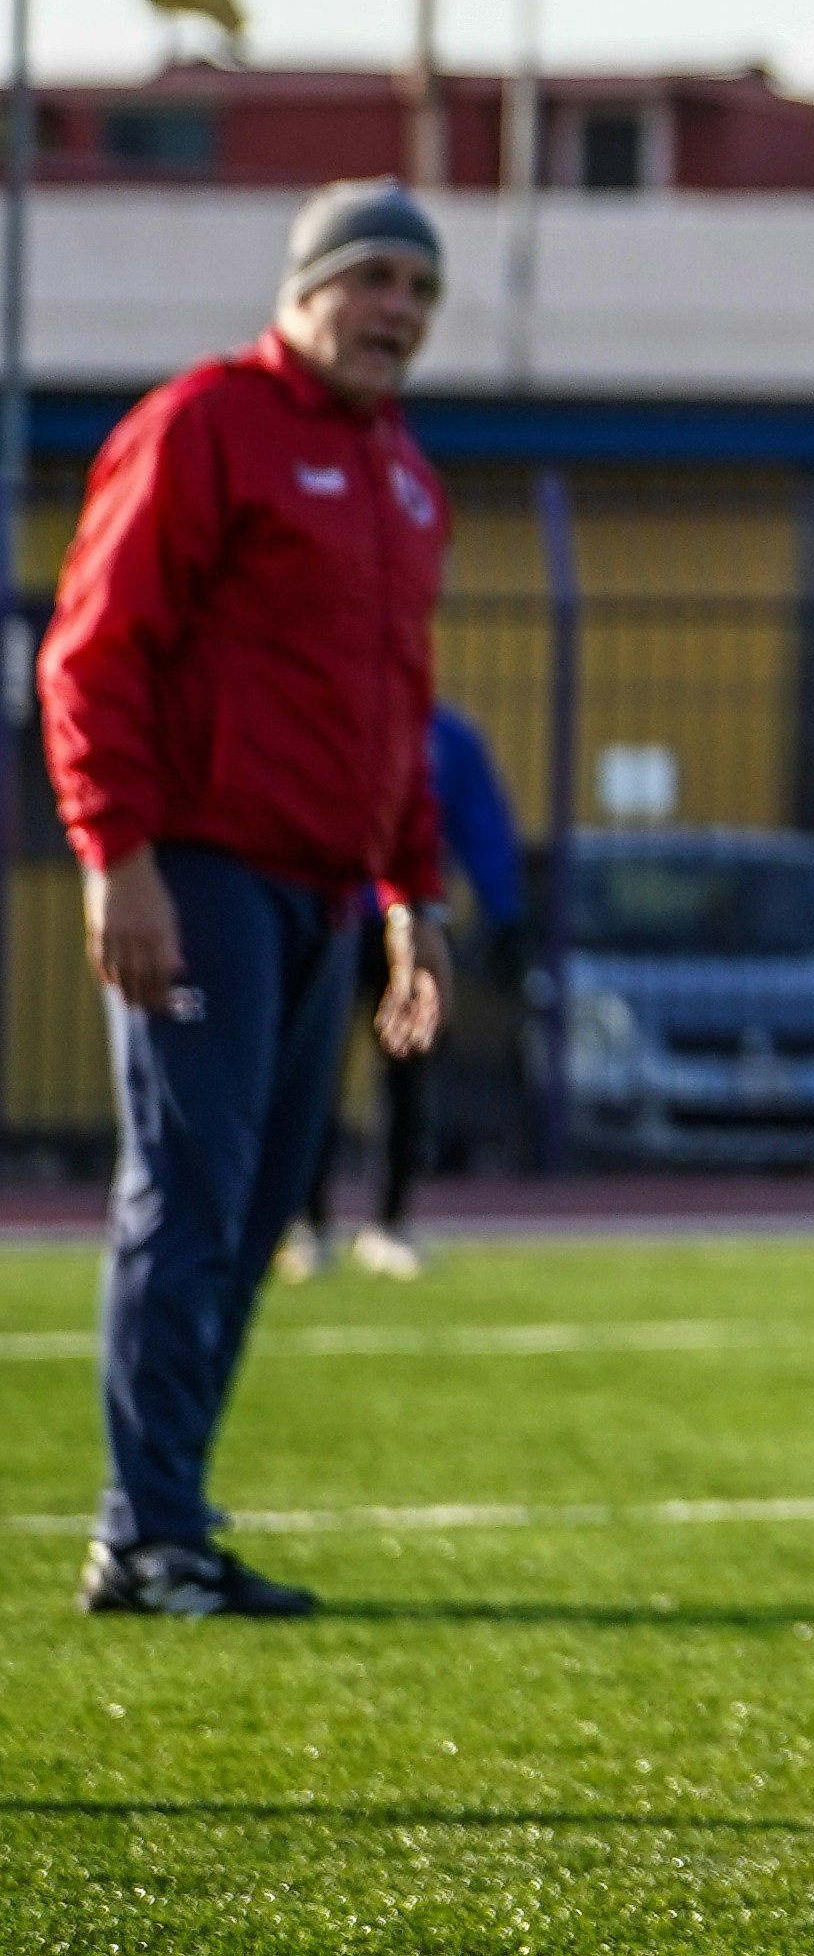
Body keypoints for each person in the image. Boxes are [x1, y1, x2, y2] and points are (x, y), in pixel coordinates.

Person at [43, 181, 459, 1617]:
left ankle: (173, 1521)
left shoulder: (408, 477)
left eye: (420, 289)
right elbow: (92, 654)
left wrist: (413, 890)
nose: (397, 310)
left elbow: (400, 711)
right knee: (191, 1196)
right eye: (374, 280)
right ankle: (145, 1536)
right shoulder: (205, 426)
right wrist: (122, 855)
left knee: (268, 1202)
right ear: (305, 287)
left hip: (330, 902)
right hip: (203, 876)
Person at [284, 706, 520, 1284]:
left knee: (408, 1074)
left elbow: (478, 823)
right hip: (328, 916)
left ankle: (390, 1222)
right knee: (314, 1077)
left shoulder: (444, 739)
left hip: (407, 924)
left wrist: (505, 910)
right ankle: (306, 1225)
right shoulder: (319, 716)